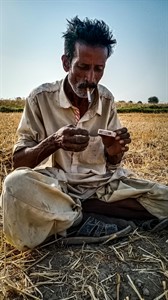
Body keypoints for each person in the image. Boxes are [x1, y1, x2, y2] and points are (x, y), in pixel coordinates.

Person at [1, 16, 168, 250]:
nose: (91, 78)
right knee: (15, 186)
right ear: (66, 62)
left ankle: (76, 217)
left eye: (98, 69)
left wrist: (114, 152)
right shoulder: (40, 99)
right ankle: (92, 215)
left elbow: (113, 163)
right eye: (82, 67)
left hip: (102, 187)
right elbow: (17, 162)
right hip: (57, 188)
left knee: (165, 200)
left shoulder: (107, 99)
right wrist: (54, 142)